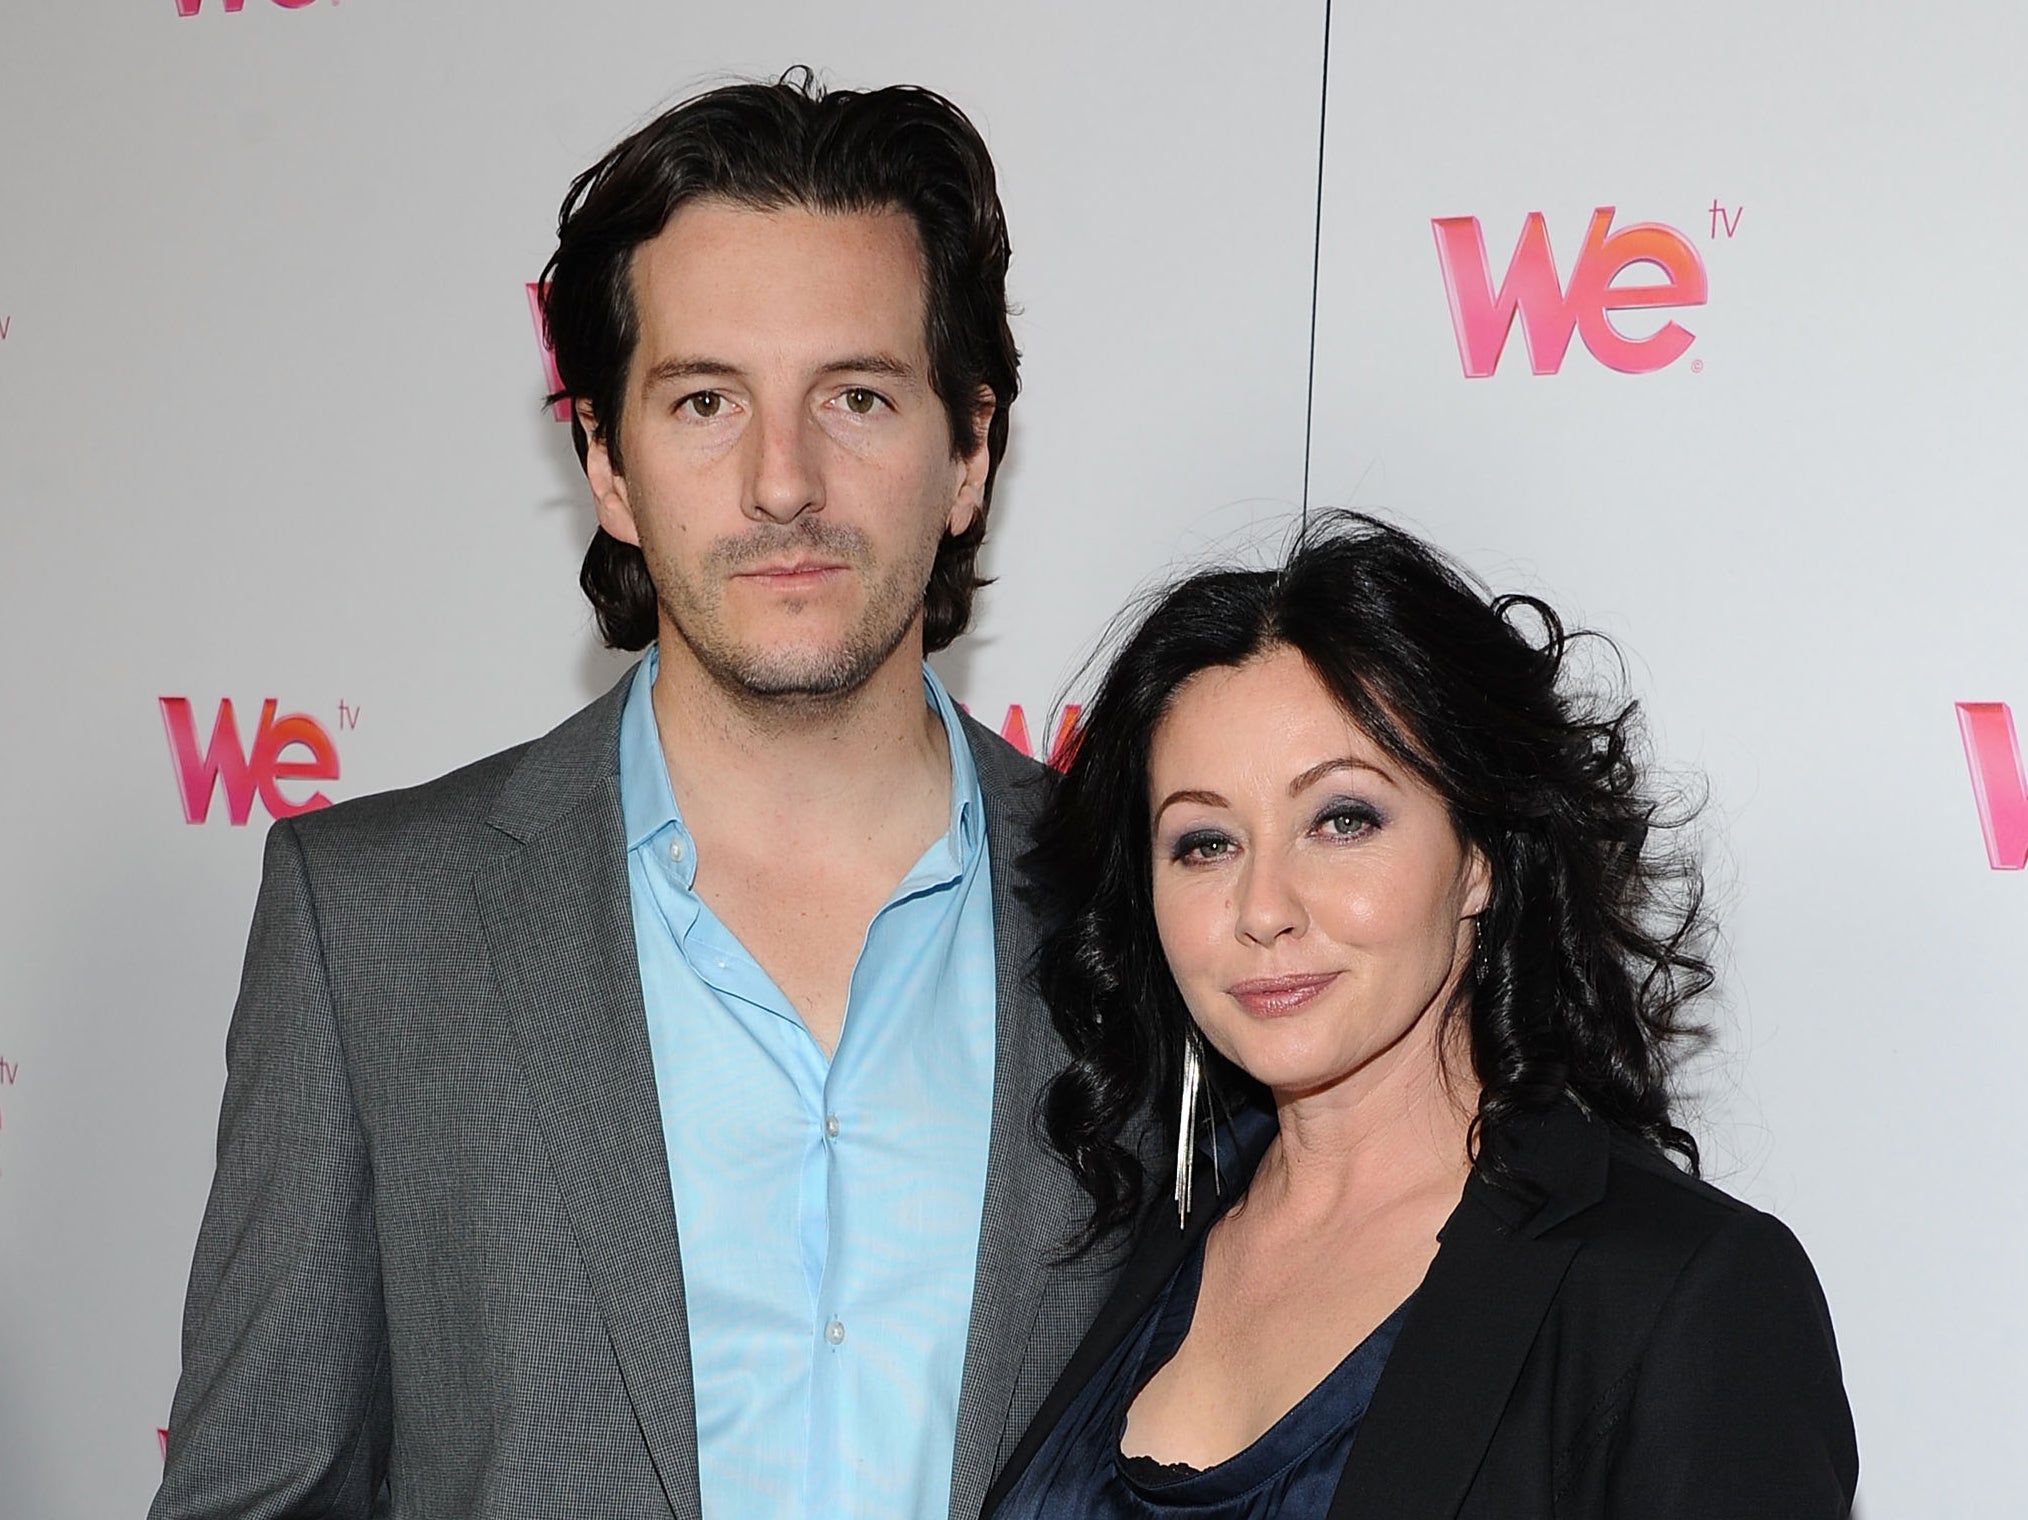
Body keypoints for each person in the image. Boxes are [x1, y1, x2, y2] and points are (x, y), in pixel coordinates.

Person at [151, 73, 1116, 1520]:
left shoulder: (1150, 905)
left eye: (856, 397)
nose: (783, 482)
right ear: (607, 461)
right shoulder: (373, 923)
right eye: (705, 401)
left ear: (968, 451)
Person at [983, 513, 1859, 1519]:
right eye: (1205, 841)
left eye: (1342, 818)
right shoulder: (1129, 1228)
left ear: (1480, 854)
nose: (1263, 907)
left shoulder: (1681, 1292)